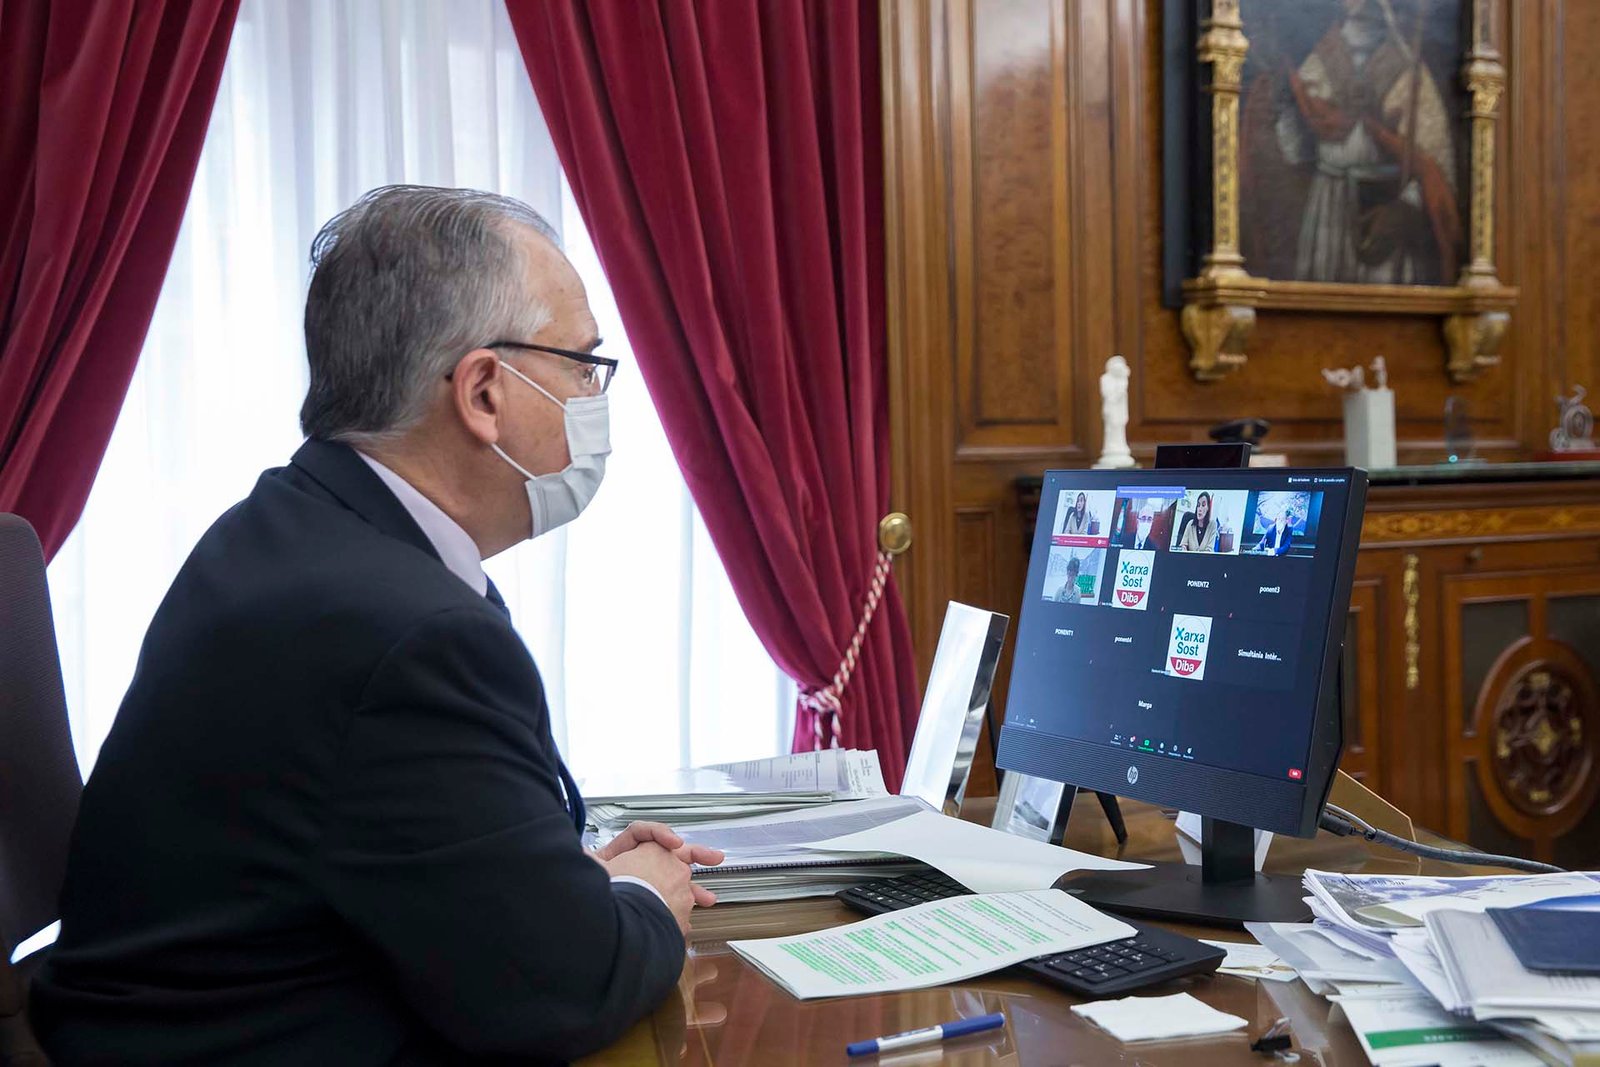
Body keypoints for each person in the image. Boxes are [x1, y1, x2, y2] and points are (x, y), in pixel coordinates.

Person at [31, 186, 724, 1065]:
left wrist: (565, 887)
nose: (594, 392)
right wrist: (647, 897)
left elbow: (404, 851)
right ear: (483, 392)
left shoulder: (290, 526)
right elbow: (564, 990)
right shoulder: (407, 632)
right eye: (583, 364)